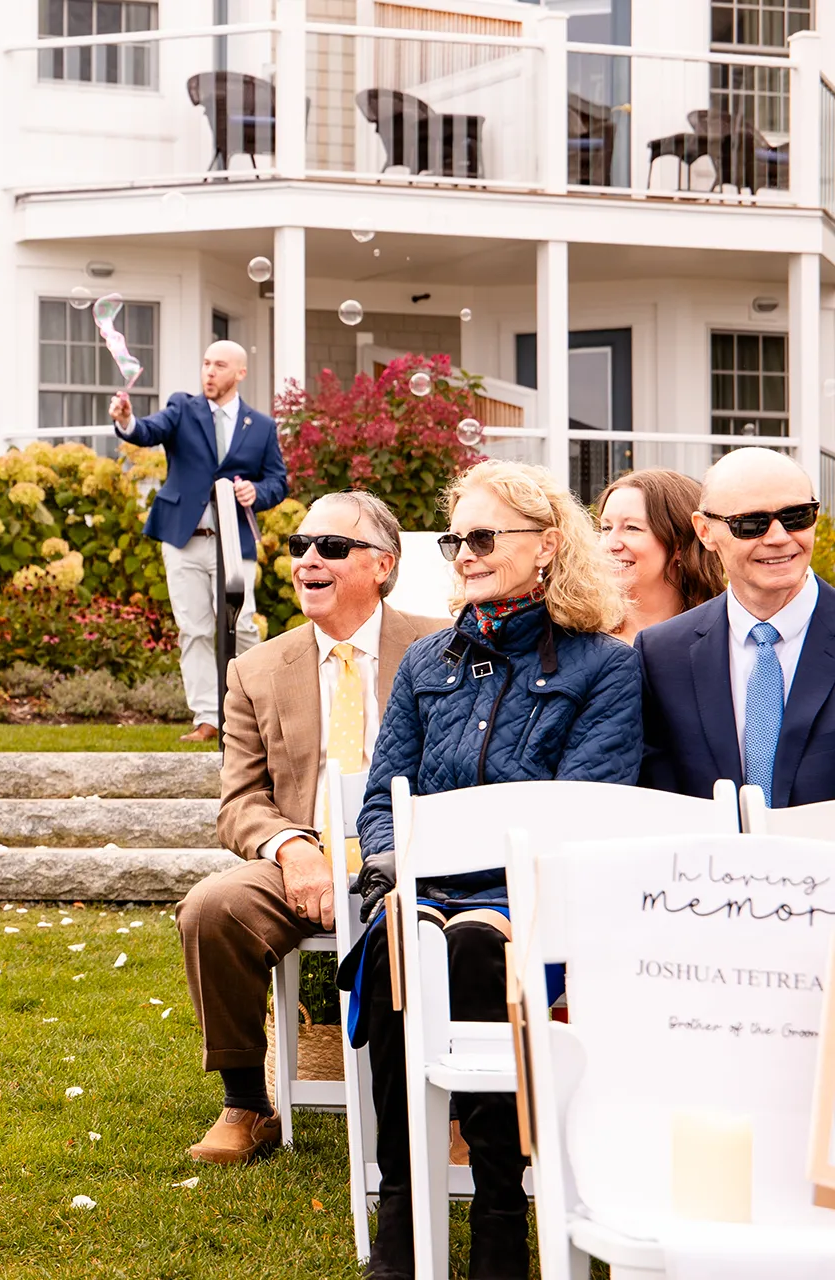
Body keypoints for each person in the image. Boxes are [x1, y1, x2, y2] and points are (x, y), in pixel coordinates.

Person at [343, 460, 640, 1280]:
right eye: (454, 540)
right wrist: (392, 868)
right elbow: (382, 800)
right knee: (407, 941)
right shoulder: (427, 663)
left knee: (474, 946)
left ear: (547, 546)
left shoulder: (602, 666)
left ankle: (500, 1218)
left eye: (482, 537)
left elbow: (588, 804)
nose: (464, 554)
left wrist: (486, 881)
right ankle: (404, 1211)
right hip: (424, 894)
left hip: (533, 900)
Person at [175, 491, 445, 1165]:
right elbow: (240, 802)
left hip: (417, 850)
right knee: (212, 908)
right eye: (299, 547)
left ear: (382, 565)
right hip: (308, 853)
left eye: (330, 547)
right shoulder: (256, 669)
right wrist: (294, 850)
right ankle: (247, 1101)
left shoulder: (438, 647)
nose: (307, 561)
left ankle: (461, 1097)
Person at [109, 341, 287, 742]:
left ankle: (252, 710)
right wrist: (126, 421)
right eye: (205, 363)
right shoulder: (182, 408)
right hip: (184, 538)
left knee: (242, 625)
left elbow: (278, 481)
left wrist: (256, 493)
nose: (209, 371)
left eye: (219, 365)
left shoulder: (261, 426)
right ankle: (207, 717)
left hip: (235, 541)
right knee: (194, 628)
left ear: (240, 373)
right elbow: (147, 431)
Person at [638, 446, 834, 808]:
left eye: (796, 516)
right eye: (751, 524)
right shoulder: (662, 655)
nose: (778, 536)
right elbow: (657, 798)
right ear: (705, 531)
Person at [596, 469, 722, 643]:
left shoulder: (723, 638)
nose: (610, 545)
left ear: (680, 545)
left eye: (632, 528)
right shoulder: (577, 636)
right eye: (606, 528)